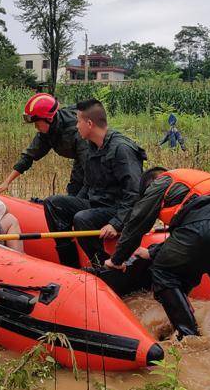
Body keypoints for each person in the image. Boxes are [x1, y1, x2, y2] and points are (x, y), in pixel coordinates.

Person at [105, 167, 210, 345]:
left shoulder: (160, 182)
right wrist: (151, 252)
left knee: (163, 271)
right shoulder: (200, 184)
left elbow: (138, 221)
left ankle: (188, 335)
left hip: (202, 232)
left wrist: (117, 259)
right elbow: (201, 230)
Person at [43, 98, 146, 268]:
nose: (76, 126)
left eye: (78, 122)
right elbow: (88, 184)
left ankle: (102, 266)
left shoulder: (121, 149)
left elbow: (134, 192)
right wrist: (73, 204)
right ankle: (69, 266)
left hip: (118, 208)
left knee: (82, 218)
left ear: (89, 123)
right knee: (54, 204)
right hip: (98, 203)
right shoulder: (91, 146)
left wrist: (116, 223)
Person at [0, 93, 89, 196]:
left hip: (96, 158)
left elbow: (90, 169)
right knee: (74, 190)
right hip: (81, 159)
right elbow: (28, 157)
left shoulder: (77, 131)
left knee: (85, 194)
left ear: (49, 119)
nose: (35, 127)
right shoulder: (47, 131)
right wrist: (6, 183)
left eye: (37, 124)